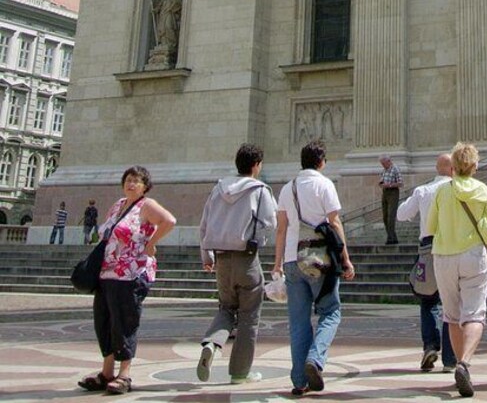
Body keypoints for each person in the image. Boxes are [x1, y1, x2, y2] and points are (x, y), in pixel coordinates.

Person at [77, 166, 176, 395]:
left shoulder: (147, 205)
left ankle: (124, 374)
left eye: (137, 181)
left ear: (145, 186)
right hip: (106, 273)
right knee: (104, 320)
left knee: (124, 321)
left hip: (131, 273)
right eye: (128, 180)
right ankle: (106, 372)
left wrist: (151, 243)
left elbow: (169, 221)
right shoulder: (117, 205)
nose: (131, 184)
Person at [273, 140, 355, 397]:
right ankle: (315, 359)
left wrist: (277, 264)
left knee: (298, 322)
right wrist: (346, 259)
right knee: (331, 311)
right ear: (321, 162)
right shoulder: (324, 184)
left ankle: (299, 381)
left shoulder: (288, 188)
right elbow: (335, 223)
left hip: (291, 259)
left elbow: (282, 228)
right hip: (319, 258)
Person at [196, 144, 278, 384]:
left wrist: (206, 257)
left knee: (226, 308)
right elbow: (270, 221)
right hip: (246, 259)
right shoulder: (260, 190)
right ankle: (240, 372)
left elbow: (204, 225)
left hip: (221, 259)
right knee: (249, 316)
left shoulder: (217, 189)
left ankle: (212, 343)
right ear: (256, 165)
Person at [427, 142, 487, 398]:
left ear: (454, 166)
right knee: (475, 314)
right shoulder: (485, 192)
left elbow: (431, 225)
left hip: (444, 256)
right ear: (475, 166)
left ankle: (459, 365)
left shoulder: (442, 192)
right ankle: (465, 363)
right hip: (473, 255)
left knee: (452, 316)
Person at [396, 153, 457, 373]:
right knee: (452, 302)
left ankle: (430, 345)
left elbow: (402, 214)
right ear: (453, 169)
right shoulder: (458, 189)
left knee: (428, 298)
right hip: (453, 247)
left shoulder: (423, 190)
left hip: (427, 249)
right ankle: (450, 359)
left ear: (436, 168)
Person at [378, 154, 403, 245]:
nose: (383, 165)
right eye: (382, 164)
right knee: (385, 216)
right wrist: (381, 183)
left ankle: (390, 238)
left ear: (388, 161)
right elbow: (382, 180)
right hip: (385, 192)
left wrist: (389, 185)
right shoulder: (384, 170)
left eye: (384, 163)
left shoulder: (395, 169)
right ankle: (393, 237)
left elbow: (400, 183)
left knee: (391, 216)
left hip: (393, 192)